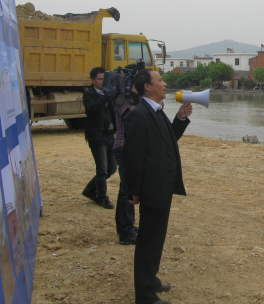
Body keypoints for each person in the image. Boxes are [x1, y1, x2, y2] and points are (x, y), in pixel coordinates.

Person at [124, 69, 193, 304]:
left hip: (162, 184)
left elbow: (168, 138)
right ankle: (144, 295)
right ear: (147, 87)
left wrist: (180, 118)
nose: (164, 84)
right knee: (148, 240)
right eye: (160, 80)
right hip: (152, 187)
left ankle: (151, 281)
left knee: (156, 238)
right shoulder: (139, 115)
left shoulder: (155, 110)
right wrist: (134, 191)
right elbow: (132, 156)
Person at [82, 66, 117, 209]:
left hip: (111, 135)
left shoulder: (111, 93)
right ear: (92, 80)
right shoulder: (88, 94)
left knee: (111, 168)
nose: (102, 82)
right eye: (100, 79)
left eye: (104, 79)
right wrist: (106, 96)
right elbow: (93, 108)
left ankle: (90, 189)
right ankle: (102, 198)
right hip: (97, 136)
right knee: (102, 168)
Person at [113, 89, 138, 245]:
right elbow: (130, 118)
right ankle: (125, 231)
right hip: (123, 148)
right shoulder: (120, 98)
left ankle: (126, 225)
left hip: (130, 148)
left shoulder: (137, 99)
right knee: (127, 190)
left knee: (126, 188)